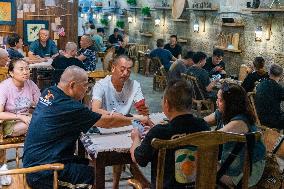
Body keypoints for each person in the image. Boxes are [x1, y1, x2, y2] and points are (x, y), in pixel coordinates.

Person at [23, 66, 150, 189]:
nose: (86, 90)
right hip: (43, 172)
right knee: (95, 175)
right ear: (72, 85)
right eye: (85, 86)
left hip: (39, 160)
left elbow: (91, 115)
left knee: (94, 165)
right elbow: (108, 122)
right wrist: (137, 119)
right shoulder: (69, 107)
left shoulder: (49, 92)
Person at [130, 80, 210, 188]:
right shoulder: (203, 126)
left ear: (166, 104)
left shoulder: (159, 132)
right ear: (191, 103)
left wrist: (136, 138)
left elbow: (139, 159)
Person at [92, 55, 150, 189]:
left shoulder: (134, 85)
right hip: (105, 127)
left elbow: (142, 109)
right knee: (101, 157)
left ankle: (116, 185)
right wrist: (116, 116)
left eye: (129, 70)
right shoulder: (101, 85)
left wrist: (143, 113)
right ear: (113, 68)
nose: (125, 73)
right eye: (122, 69)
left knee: (139, 145)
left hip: (125, 125)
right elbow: (95, 110)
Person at [204, 83, 266, 188]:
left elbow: (212, 138)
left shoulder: (240, 122)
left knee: (200, 161)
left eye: (219, 100)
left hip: (247, 169)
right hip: (233, 159)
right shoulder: (223, 113)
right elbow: (202, 122)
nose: (216, 102)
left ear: (230, 103)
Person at [0, 59, 40, 137]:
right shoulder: (4, 87)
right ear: (11, 73)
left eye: (27, 68)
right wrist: (20, 117)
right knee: (32, 125)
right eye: (21, 69)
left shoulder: (31, 84)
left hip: (27, 118)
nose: (25, 72)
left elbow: (41, 104)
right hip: (8, 122)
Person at [255, 63, 284, 129]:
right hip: (272, 121)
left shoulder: (261, 84)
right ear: (281, 76)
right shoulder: (278, 88)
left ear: (269, 73)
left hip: (259, 117)